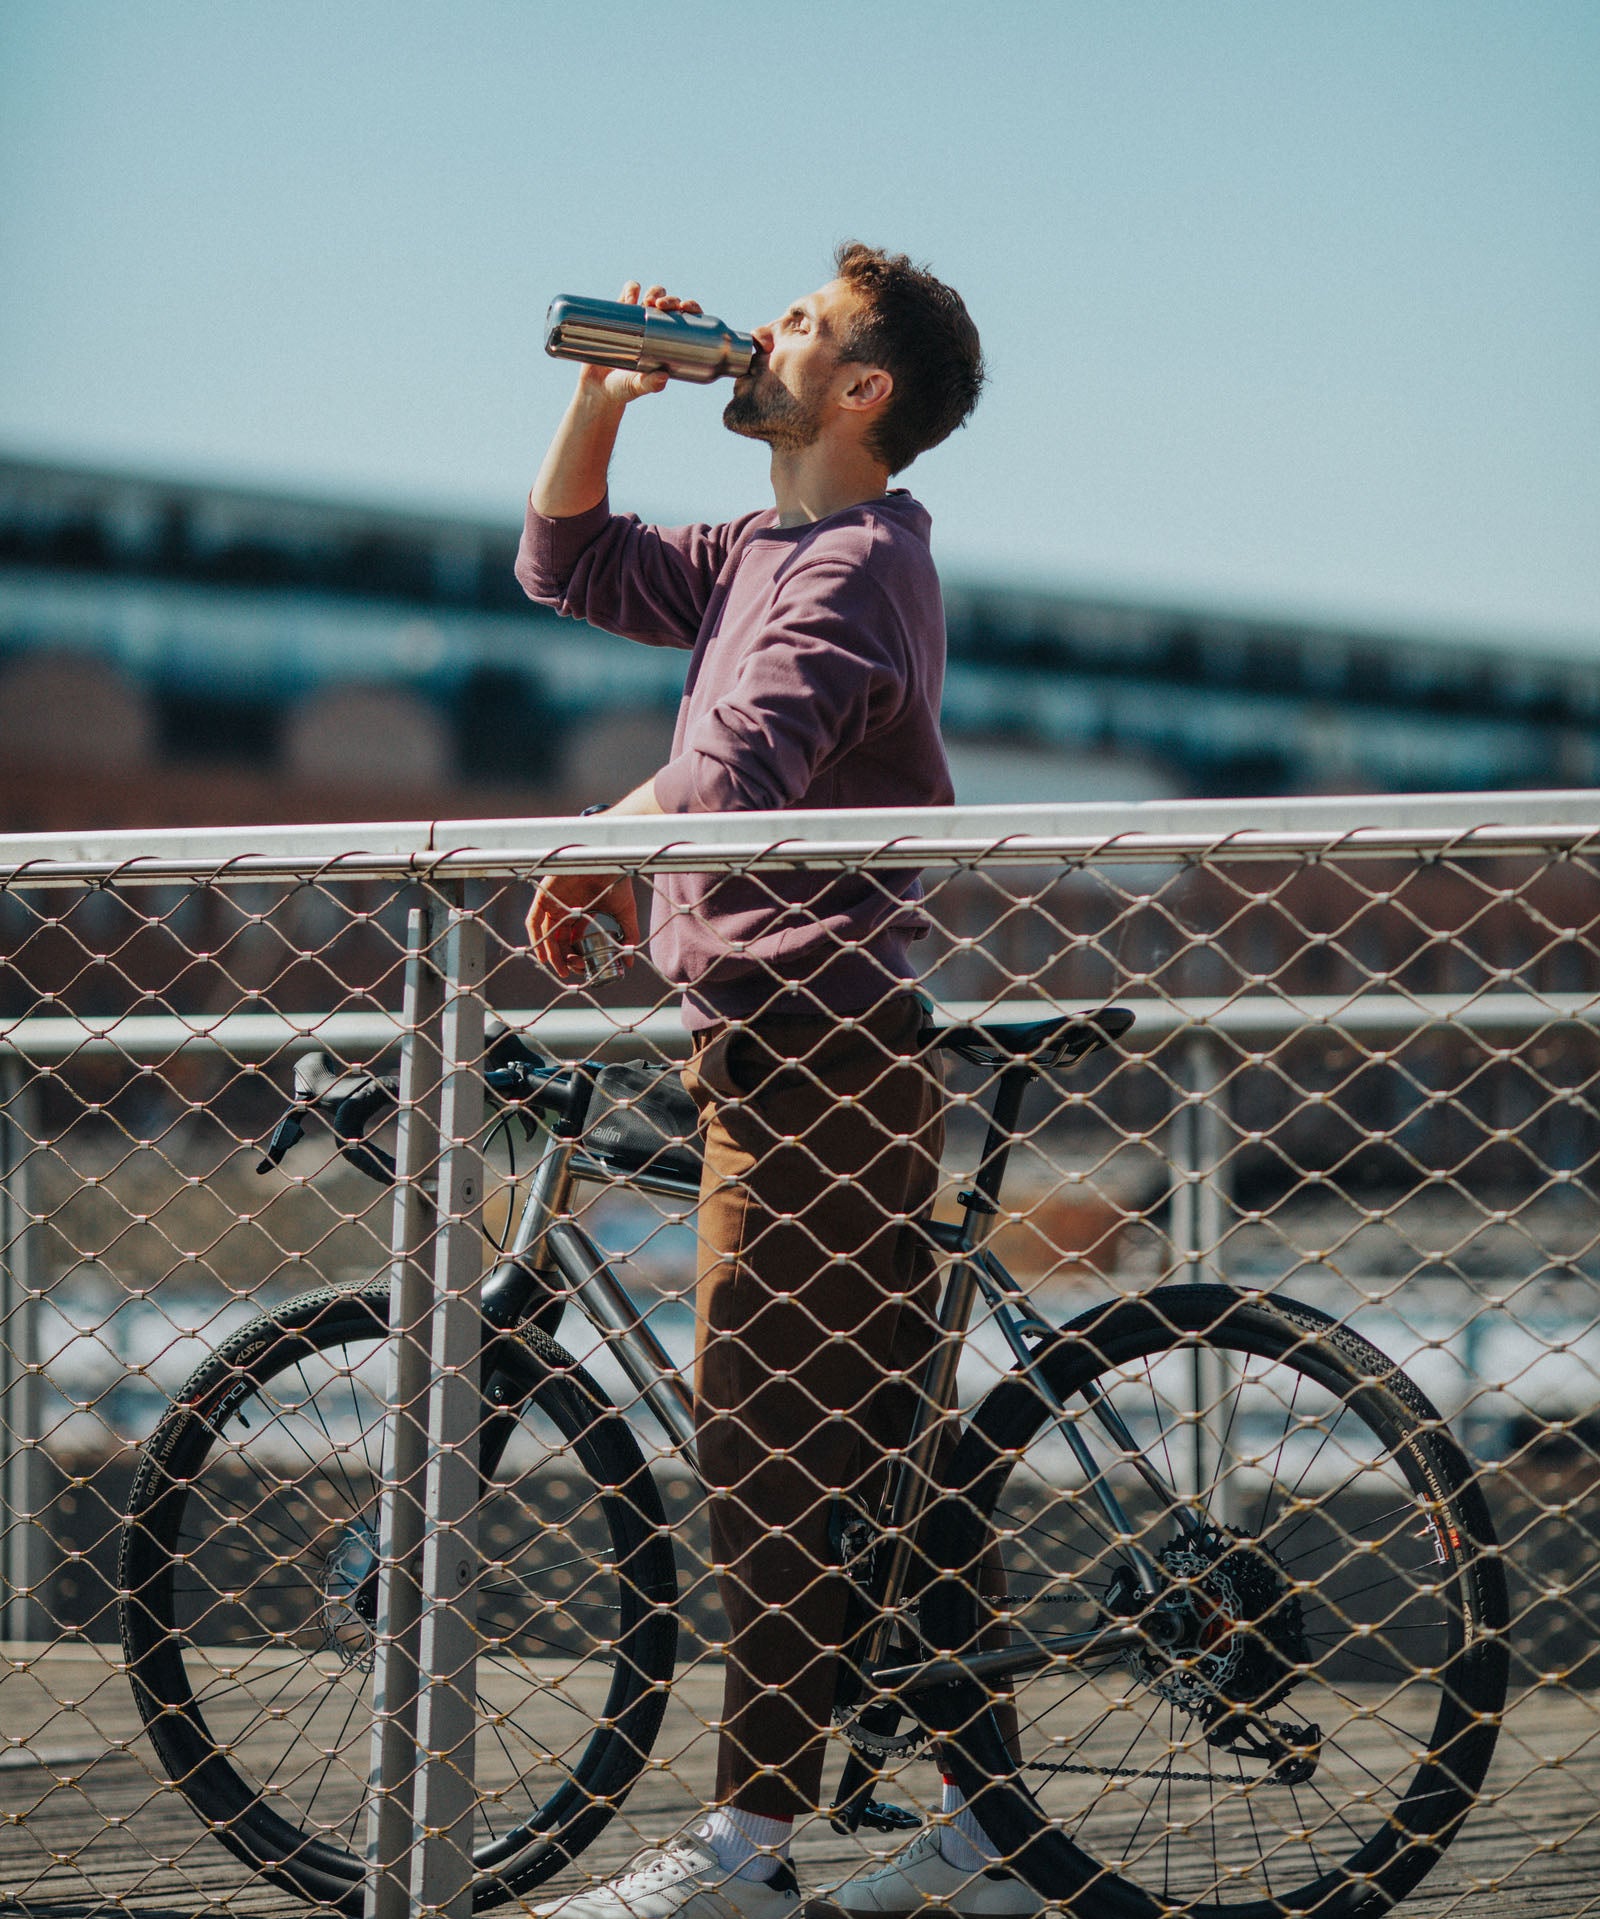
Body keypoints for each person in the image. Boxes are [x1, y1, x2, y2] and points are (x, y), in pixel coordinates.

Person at [518, 246, 1027, 1919]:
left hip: (819, 1054)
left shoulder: (857, 568)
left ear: (859, 392)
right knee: (878, 1447)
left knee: (769, 1442)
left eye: (802, 324)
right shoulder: (762, 546)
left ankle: (748, 1847)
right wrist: (604, 392)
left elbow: (737, 780)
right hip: (788, 1048)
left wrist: (609, 834)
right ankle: (995, 1829)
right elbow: (567, 559)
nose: (766, 329)